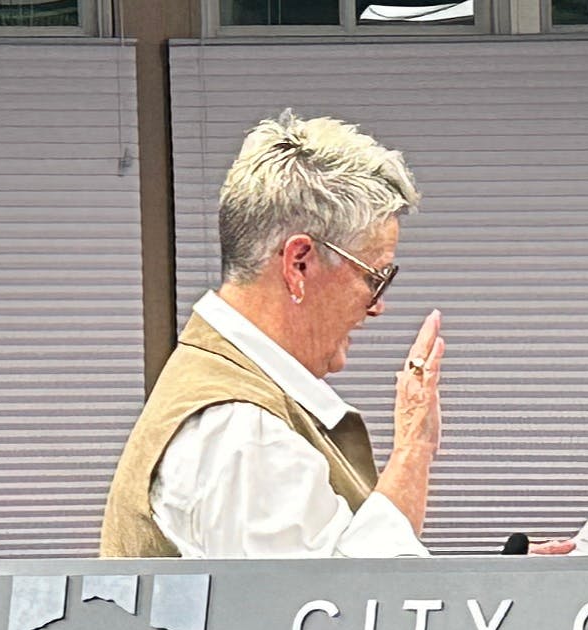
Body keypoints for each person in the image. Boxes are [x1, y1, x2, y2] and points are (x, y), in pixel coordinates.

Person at [101, 111, 451, 559]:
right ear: (299, 263)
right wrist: (413, 448)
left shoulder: (232, 402)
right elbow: (344, 614)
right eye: (375, 276)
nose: (378, 305)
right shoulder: (244, 432)